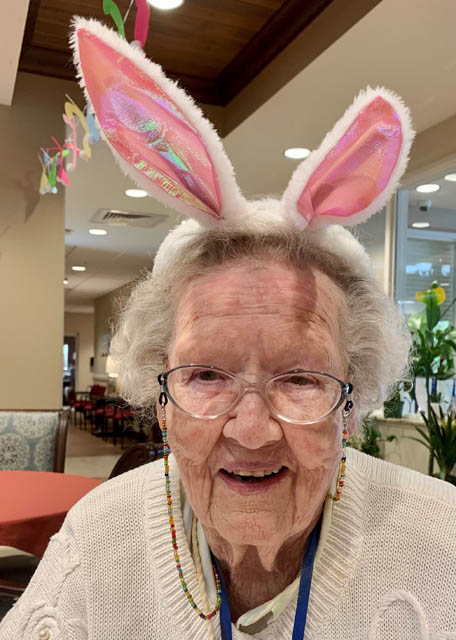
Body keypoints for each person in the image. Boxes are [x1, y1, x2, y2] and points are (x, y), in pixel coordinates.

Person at [2, 16, 456, 640]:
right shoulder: (97, 538)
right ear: (161, 403)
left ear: (351, 406)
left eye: (300, 378)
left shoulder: (443, 548)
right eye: (206, 375)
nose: (250, 430)